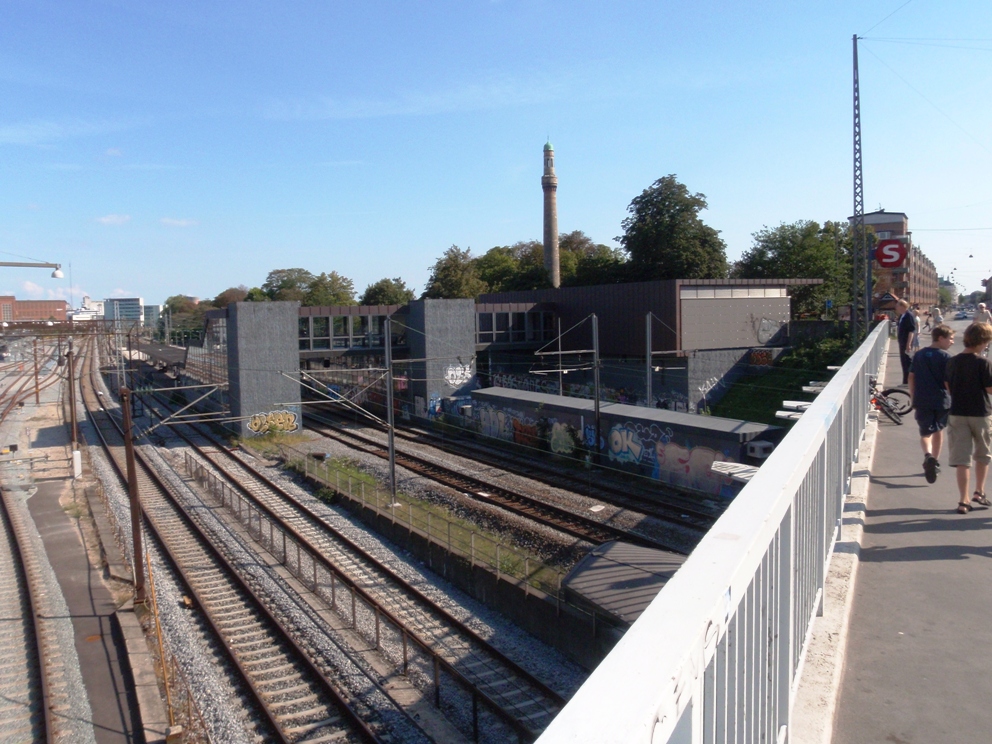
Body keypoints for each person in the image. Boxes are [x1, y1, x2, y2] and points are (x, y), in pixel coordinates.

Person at [944, 322, 992, 514]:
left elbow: (948, 386)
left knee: (962, 460)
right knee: (983, 455)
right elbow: (989, 389)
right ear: (983, 341)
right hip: (981, 413)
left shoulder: (952, 361)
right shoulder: (983, 363)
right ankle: (979, 492)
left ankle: (963, 500)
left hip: (957, 412)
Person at [909, 324, 954, 483]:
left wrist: (912, 396)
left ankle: (928, 456)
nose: (952, 342)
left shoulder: (919, 355)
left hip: (922, 399)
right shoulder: (947, 357)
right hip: (941, 400)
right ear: (941, 338)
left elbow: (911, 377)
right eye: (950, 338)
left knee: (925, 432)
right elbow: (948, 382)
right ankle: (935, 460)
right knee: (938, 430)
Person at [895, 299, 916, 385]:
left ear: (903, 306)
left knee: (907, 362)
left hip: (906, 342)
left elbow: (911, 331)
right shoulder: (902, 316)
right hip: (902, 342)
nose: (897, 308)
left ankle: (909, 382)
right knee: (904, 362)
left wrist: (908, 344)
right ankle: (905, 381)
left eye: (898, 306)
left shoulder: (908, 316)